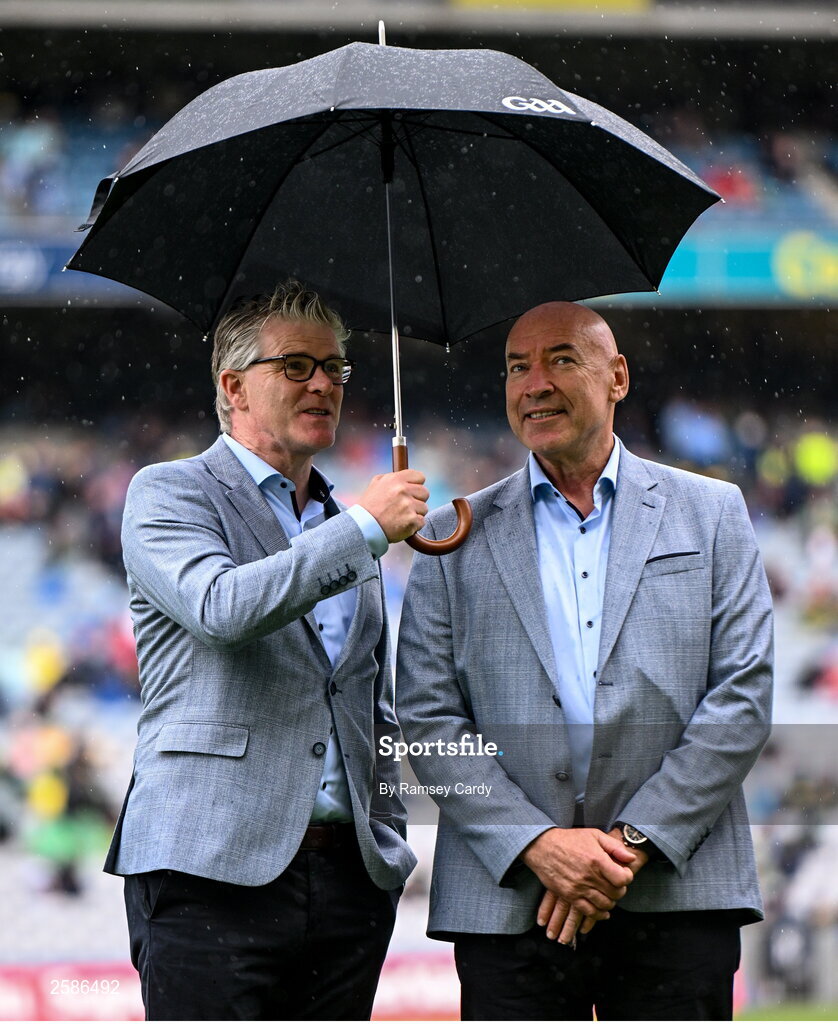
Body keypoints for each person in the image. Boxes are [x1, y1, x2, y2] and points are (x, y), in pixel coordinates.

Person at [396, 301, 773, 1021]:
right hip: (511, 905)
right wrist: (537, 843)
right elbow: (427, 719)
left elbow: (742, 696)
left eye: (561, 359)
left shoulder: (713, 512)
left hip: (676, 890)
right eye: (516, 367)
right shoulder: (448, 536)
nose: (533, 383)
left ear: (618, 377)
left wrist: (628, 845)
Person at [107, 280, 429, 1020]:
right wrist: (362, 529)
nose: (323, 383)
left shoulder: (344, 519)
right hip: (206, 870)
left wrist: (386, 837)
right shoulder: (171, 492)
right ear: (234, 387)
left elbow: (370, 704)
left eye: (336, 368)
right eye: (296, 366)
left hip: (348, 883)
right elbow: (222, 608)